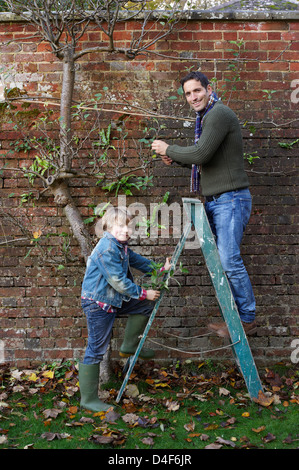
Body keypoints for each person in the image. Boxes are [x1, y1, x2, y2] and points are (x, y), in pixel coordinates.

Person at [152, 71, 256, 339]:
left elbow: (201, 153)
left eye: (197, 90)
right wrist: (175, 158)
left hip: (230, 199)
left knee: (230, 261)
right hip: (219, 200)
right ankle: (235, 319)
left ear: (209, 89)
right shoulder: (207, 118)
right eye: (188, 93)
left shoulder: (218, 115)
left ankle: (247, 319)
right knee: (223, 263)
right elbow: (206, 160)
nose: (193, 97)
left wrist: (169, 149)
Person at [79, 206, 171, 412]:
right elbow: (117, 282)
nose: (126, 230)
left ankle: (128, 346)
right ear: (108, 227)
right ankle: (88, 399)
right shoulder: (107, 249)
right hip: (98, 303)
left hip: (113, 299)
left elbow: (139, 262)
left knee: (146, 304)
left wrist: (160, 269)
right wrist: (143, 292)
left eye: (129, 226)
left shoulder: (122, 247)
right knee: (96, 348)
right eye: (121, 226)